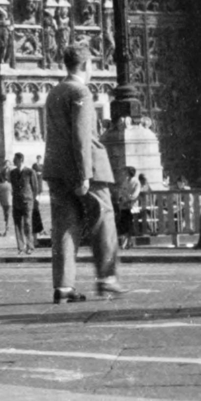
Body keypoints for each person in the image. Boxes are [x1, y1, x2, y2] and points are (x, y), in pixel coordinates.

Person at [41, 44, 125, 303]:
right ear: (87, 65)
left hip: (57, 170)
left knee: (64, 227)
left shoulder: (54, 92)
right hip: (87, 169)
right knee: (104, 219)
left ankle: (64, 286)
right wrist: (84, 174)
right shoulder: (82, 92)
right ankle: (107, 277)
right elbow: (81, 136)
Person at [6, 153, 36, 254]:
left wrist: (32, 199)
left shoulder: (30, 172)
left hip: (27, 201)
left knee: (27, 223)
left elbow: (35, 188)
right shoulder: (12, 172)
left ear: (21, 159)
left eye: (15, 159)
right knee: (17, 224)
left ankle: (30, 246)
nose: (14, 161)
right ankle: (20, 247)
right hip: (16, 201)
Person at [115, 166, 141, 245]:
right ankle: (126, 241)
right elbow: (121, 190)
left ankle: (129, 241)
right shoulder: (125, 181)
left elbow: (135, 194)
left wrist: (128, 199)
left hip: (131, 205)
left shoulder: (136, 182)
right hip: (123, 205)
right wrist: (120, 198)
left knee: (130, 224)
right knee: (124, 224)